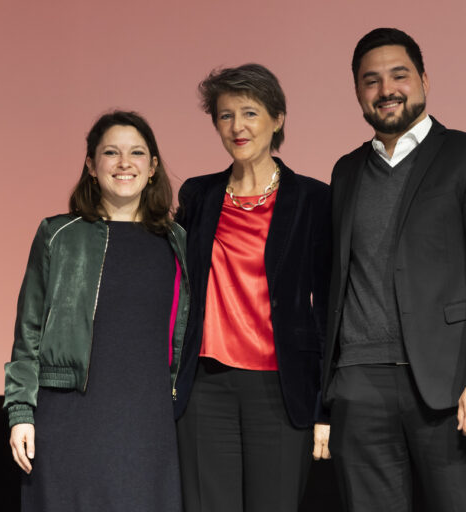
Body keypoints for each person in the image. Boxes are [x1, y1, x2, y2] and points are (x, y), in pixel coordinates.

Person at [323, 28, 466, 512]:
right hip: (358, 384)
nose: (385, 89)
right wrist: (326, 397)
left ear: (425, 79)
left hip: (447, 384)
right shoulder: (346, 170)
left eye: (399, 74)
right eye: (370, 80)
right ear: (358, 93)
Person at [3, 111, 189, 511]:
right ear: (91, 165)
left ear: (153, 167)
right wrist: (20, 412)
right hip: (69, 416)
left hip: (148, 420)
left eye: (137, 152)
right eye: (111, 152)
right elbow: (28, 332)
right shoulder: (58, 235)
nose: (125, 163)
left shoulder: (177, 242)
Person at [174, 63, 331, 512]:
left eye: (250, 113)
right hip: (205, 386)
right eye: (225, 115)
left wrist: (326, 406)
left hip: (280, 388)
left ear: (277, 118)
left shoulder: (313, 199)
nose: (237, 127)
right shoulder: (197, 196)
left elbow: (327, 308)